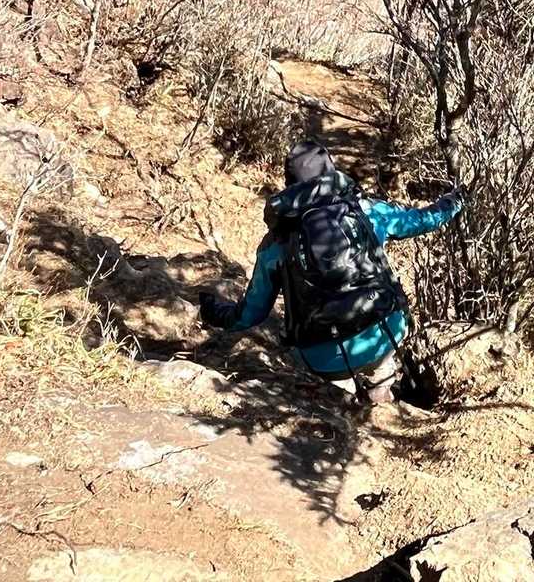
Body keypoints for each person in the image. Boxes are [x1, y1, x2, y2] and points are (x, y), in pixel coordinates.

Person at [197, 139, 462, 405]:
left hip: (323, 358)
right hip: (385, 332)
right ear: (331, 172)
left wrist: (214, 312)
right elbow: (420, 221)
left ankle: (342, 398)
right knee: (382, 364)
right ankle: (381, 393)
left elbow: (251, 314)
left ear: (289, 183)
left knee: (326, 375)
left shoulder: (276, 242)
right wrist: (454, 201)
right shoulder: (366, 211)